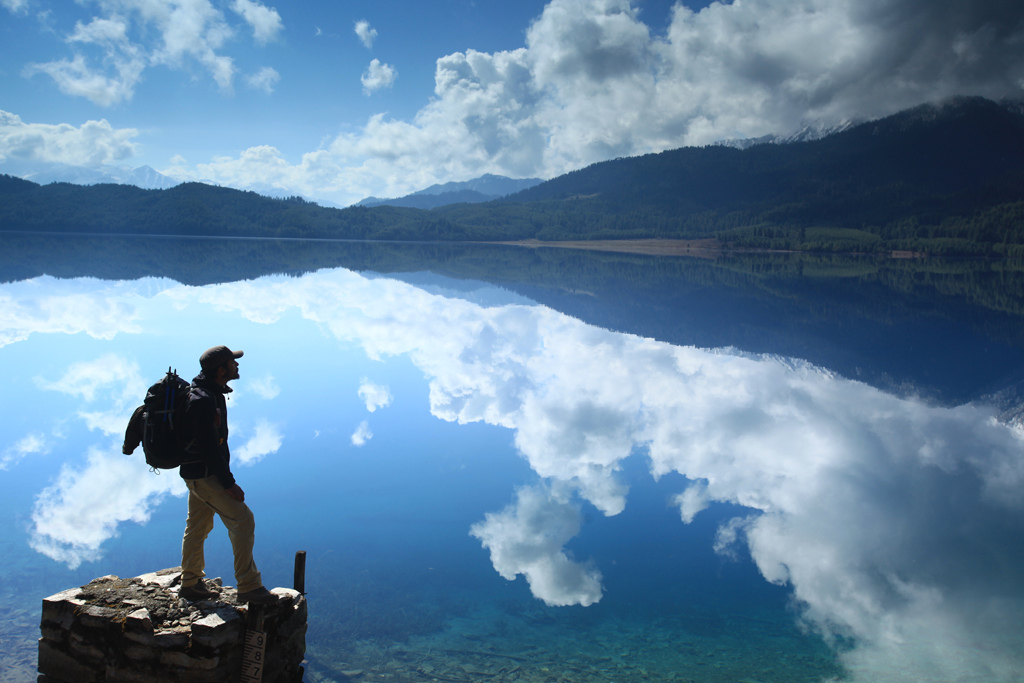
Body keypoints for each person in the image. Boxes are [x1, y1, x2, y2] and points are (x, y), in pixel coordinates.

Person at [178, 345, 277, 604]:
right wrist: (229, 483)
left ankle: (190, 583)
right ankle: (249, 586)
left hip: (196, 474)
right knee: (243, 520)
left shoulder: (207, 392)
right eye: (233, 362)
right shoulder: (203, 401)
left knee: (198, 526)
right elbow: (209, 448)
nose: (237, 365)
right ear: (221, 370)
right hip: (205, 475)